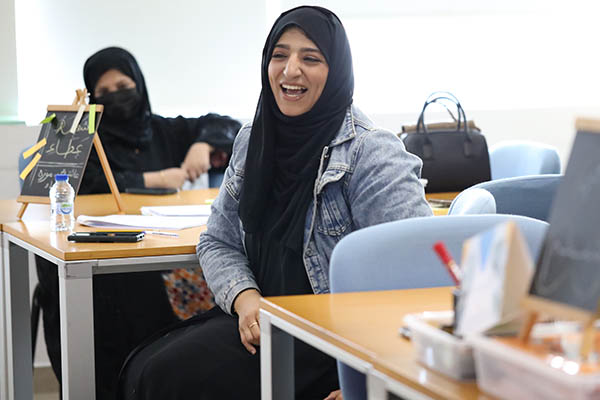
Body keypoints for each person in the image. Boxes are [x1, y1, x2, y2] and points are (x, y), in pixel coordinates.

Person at [118, 6, 432, 400]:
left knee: (169, 379)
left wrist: (368, 381)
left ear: (337, 70)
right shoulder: (255, 139)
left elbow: (416, 280)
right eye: (279, 55)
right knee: (143, 366)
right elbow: (218, 241)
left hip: (333, 342)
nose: (290, 70)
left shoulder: (371, 152)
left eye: (311, 58)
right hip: (264, 321)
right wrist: (245, 298)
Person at [35, 46, 241, 400]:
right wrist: (157, 178)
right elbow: (70, 183)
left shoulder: (160, 129)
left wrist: (203, 144)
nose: (117, 98)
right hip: (102, 262)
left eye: (124, 87)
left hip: (157, 252)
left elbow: (228, 125)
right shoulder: (81, 136)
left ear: (140, 85)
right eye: (105, 92)